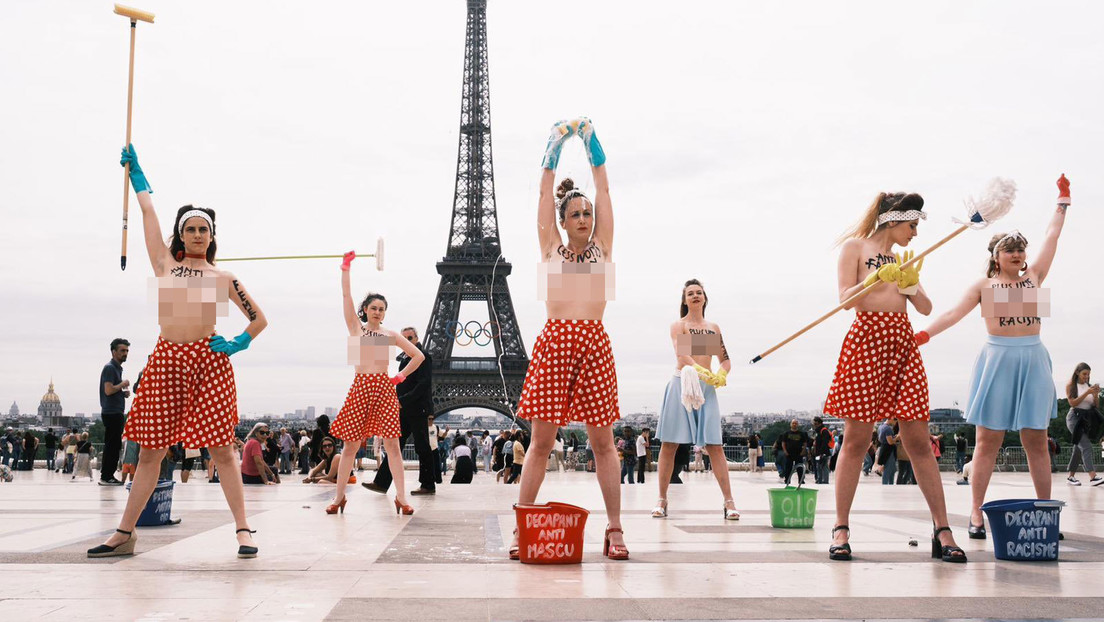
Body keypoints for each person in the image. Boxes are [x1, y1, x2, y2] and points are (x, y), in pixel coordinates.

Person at [89, 146, 266, 559]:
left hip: (209, 362)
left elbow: (259, 319)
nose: (199, 235)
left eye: (204, 229)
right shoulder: (165, 265)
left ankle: (243, 529)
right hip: (167, 360)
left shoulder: (224, 277)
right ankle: (124, 532)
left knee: (222, 450)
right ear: (181, 235)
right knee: (150, 450)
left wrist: (238, 342)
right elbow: (149, 216)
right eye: (192, 229)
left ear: (212, 236)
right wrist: (138, 176)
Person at [917, 175, 1072, 540]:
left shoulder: (1034, 278)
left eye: (1021, 249)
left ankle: (1045, 510)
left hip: (1033, 357)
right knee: (988, 440)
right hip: (997, 359)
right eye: (1010, 250)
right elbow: (952, 314)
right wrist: (922, 335)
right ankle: (975, 512)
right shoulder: (984, 286)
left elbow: (1052, 237)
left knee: (1037, 439)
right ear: (996, 256)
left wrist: (1062, 202)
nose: (1017, 255)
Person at [823, 191, 965, 563]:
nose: (915, 233)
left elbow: (926, 308)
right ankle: (841, 527)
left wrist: (910, 282)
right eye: (912, 225)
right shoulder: (855, 248)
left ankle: (942, 528)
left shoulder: (905, 257)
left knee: (918, 438)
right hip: (866, 341)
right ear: (893, 220)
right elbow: (845, 301)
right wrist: (874, 279)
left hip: (902, 342)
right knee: (856, 438)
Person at [511, 117, 627, 561]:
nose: (584, 216)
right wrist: (553, 147)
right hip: (557, 342)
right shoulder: (550, 250)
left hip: (593, 342)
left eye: (587, 214)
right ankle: (524, 525)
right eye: (575, 213)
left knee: (603, 442)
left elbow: (605, 191)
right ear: (562, 220)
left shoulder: (602, 247)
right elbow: (543, 194)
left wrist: (593, 143)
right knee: (540, 442)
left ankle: (614, 529)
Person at [326, 253, 425, 516]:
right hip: (361, 386)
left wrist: (400, 377)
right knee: (350, 445)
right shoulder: (356, 330)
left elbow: (419, 356)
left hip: (382, 387)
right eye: (373, 308)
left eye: (381, 309)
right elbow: (346, 297)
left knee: (392, 445)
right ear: (365, 310)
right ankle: (339, 498)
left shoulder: (390, 335)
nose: (378, 312)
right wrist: (345, 269)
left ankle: (401, 497)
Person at [652, 279, 739, 520]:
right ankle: (661, 499)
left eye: (699, 292)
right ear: (684, 300)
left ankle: (729, 501)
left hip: (707, 387)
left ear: (705, 298)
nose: (695, 296)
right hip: (683, 383)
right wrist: (702, 371)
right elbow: (682, 355)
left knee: (715, 446)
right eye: (690, 293)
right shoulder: (678, 325)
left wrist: (722, 373)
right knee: (669, 444)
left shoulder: (713, 327)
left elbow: (725, 358)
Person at [363, 327, 436, 497]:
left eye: (410, 338)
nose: (407, 341)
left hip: (416, 408)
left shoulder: (423, 356)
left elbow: (423, 384)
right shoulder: (405, 357)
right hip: (404, 408)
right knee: (394, 445)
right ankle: (381, 483)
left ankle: (428, 484)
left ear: (417, 338)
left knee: (422, 446)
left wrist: (402, 401)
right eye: (403, 339)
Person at [98, 338, 131, 485]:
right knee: (112, 445)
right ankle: (106, 476)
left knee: (114, 444)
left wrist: (122, 393)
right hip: (112, 412)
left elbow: (112, 390)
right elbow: (108, 389)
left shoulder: (116, 367)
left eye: (127, 351)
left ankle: (107, 475)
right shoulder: (110, 367)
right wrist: (122, 384)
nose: (125, 353)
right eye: (122, 351)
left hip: (114, 410)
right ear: (114, 352)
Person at [1065, 363, 1103, 485]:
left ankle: (1070, 477)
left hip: (1086, 420)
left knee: (1078, 448)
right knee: (1086, 446)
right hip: (1074, 418)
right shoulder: (1071, 385)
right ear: (1077, 373)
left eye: (1088, 374)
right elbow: (1072, 403)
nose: (1086, 376)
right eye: (1084, 374)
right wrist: (1087, 393)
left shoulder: (1089, 386)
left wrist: (1095, 394)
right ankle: (1092, 476)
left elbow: (1096, 406)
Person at [777, 420, 809, 487]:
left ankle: (801, 480)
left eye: (796, 423)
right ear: (790, 424)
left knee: (800, 468)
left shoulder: (801, 434)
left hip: (798, 453)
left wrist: (803, 451)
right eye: (793, 423)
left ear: (798, 425)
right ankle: (787, 480)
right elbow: (783, 443)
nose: (794, 424)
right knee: (788, 468)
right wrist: (785, 451)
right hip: (789, 453)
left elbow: (805, 443)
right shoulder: (786, 433)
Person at [812, 417, 832, 484]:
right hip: (818, 453)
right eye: (814, 424)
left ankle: (825, 481)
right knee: (819, 466)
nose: (815, 425)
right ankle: (819, 480)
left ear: (820, 423)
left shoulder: (824, 431)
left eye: (816, 423)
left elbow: (824, 443)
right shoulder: (818, 431)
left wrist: (821, 453)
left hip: (823, 453)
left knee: (824, 466)